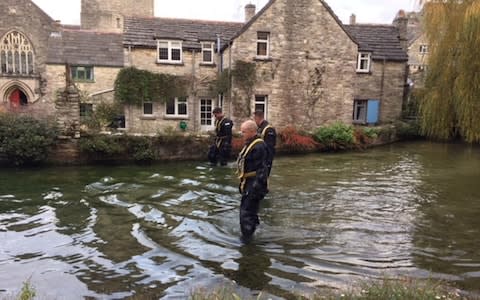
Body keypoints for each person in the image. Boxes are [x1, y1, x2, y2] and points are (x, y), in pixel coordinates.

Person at [236, 120, 269, 243]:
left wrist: (255, 188)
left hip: (254, 184)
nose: (242, 134)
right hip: (249, 182)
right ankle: (252, 232)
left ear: (251, 132)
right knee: (249, 211)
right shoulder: (251, 144)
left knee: (246, 213)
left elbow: (262, 169)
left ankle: (247, 241)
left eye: (243, 132)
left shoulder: (259, 146)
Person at [253, 110, 276, 176]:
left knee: (263, 180)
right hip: (259, 159)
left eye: (254, 119)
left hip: (265, 160)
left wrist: (267, 163)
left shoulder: (268, 129)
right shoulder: (259, 128)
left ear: (258, 118)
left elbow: (270, 148)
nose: (254, 121)